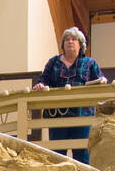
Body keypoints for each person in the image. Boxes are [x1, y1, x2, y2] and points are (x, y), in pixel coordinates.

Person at [33, 27, 106, 163]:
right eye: (66, 39)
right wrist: (41, 85)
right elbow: (43, 80)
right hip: (58, 115)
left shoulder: (90, 63)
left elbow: (101, 80)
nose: (70, 42)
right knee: (57, 156)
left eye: (73, 39)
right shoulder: (53, 62)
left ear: (81, 44)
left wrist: (102, 80)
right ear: (62, 44)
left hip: (83, 115)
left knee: (82, 155)